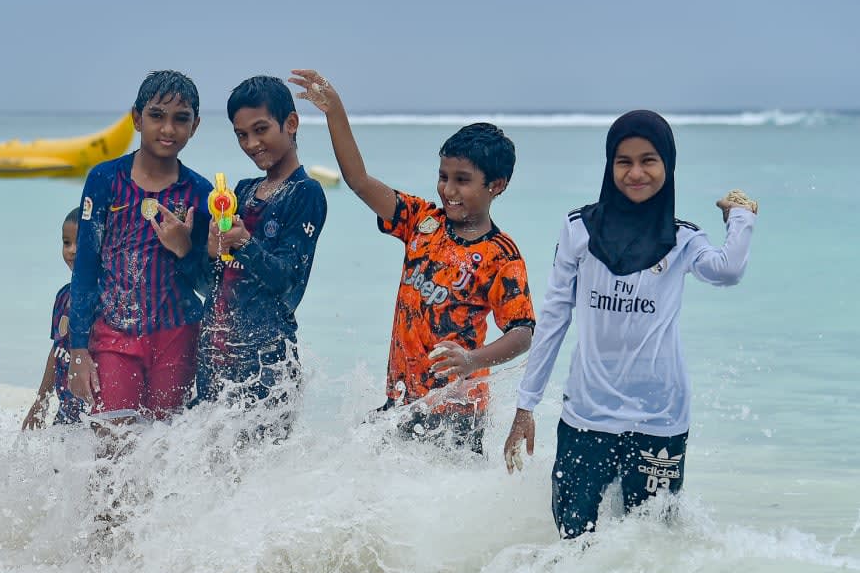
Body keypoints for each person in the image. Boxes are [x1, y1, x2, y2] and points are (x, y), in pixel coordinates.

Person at [503, 110, 758, 538]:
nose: (636, 173)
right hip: (586, 415)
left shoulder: (681, 239)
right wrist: (525, 406)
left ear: (667, 166)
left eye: (648, 161)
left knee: (650, 542)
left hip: (660, 417)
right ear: (610, 165)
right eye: (624, 161)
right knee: (572, 539)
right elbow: (554, 318)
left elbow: (728, 271)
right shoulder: (578, 230)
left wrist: (741, 215)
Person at [289, 69, 535, 452]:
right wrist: (334, 111)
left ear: (496, 185)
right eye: (443, 176)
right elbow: (359, 182)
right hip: (402, 400)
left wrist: (473, 360)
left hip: (456, 414)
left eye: (462, 180)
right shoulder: (421, 221)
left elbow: (522, 333)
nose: (448, 189)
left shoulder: (500, 256)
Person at [67, 70, 213, 421]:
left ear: (195, 126)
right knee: (111, 437)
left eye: (181, 119)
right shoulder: (105, 180)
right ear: (137, 118)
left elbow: (207, 284)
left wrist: (184, 248)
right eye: (157, 116)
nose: (168, 129)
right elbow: (86, 266)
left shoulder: (199, 193)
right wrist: (78, 349)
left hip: (178, 335)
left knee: (161, 441)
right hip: (114, 332)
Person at [193, 75, 327, 436]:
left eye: (261, 129)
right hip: (215, 355)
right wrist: (207, 251)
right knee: (205, 461)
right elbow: (210, 284)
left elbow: (288, 281)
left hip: (267, 364)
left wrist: (245, 244)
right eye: (241, 134)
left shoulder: (306, 193)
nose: (251, 143)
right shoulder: (241, 192)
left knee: (262, 467)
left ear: (291, 123)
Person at [23, 207, 86, 429]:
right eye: (66, 243)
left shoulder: (104, 300)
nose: (72, 250)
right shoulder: (63, 296)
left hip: (94, 414)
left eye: (80, 243)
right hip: (66, 410)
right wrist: (41, 401)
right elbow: (57, 351)